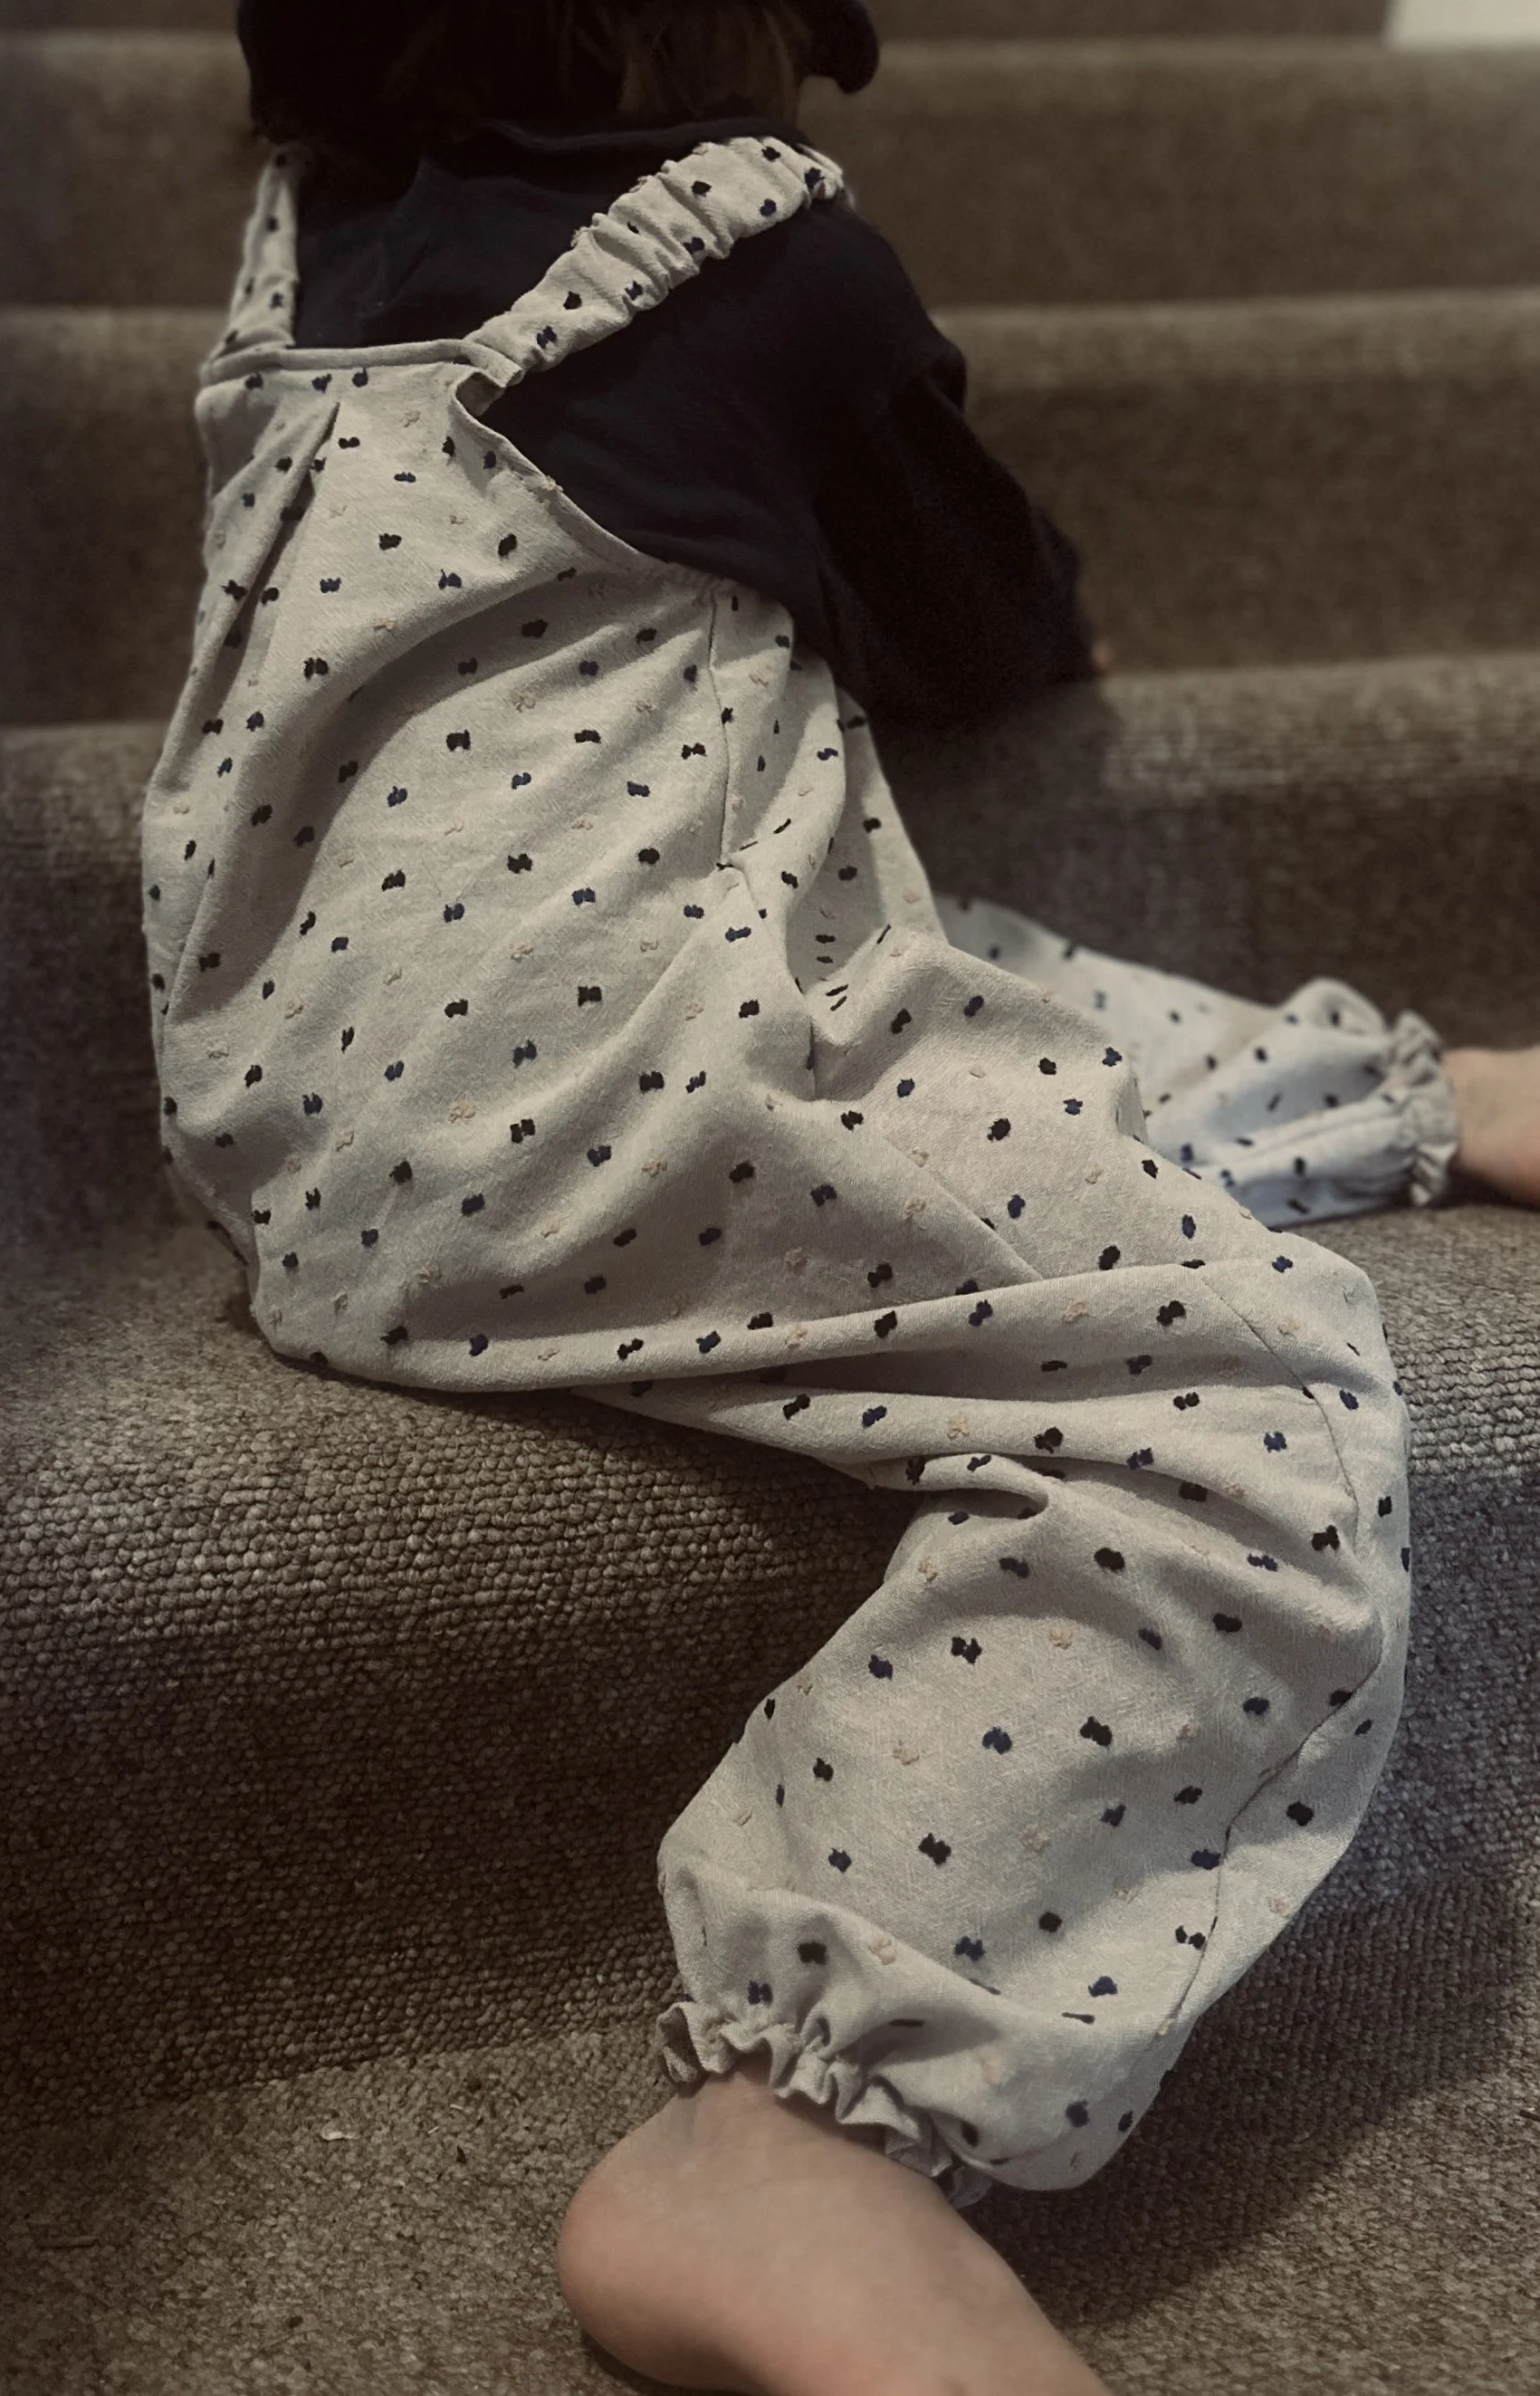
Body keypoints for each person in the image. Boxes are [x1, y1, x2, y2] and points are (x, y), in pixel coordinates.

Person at [140, 5, 1540, 2389]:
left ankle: (1409, 1093)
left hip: (300, 1088)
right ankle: (805, 2130)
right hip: (581, 1093)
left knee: (921, 994)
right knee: (1253, 1390)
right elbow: (978, 616)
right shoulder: (758, 270)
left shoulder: (303, 271)